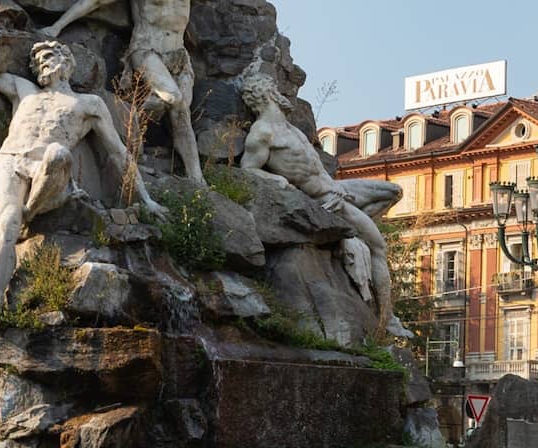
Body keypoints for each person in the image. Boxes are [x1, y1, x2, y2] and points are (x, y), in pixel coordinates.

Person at [0, 41, 164, 324]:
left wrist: (146, 198)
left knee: (57, 153)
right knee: (6, 227)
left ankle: (29, 210)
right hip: (10, 160)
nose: (42, 62)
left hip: (49, 172)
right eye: (38, 60)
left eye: (49, 56)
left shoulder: (87, 104)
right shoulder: (23, 89)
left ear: (67, 63)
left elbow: (118, 152)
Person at [238, 72, 401, 330]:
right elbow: (246, 168)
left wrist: (338, 191)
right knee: (379, 247)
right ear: (268, 93)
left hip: (336, 188)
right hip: (323, 198)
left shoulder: (290, 128)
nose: (282, 93)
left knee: (393, 191)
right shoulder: (263, 132)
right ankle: (387, 320)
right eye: (276, 89)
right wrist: (278, 181)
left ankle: (349, 233)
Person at [41, 0, 205, 185]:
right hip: (147, 49)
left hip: (179, 55)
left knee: (182, 113)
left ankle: (197, 179)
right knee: (174, 99)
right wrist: (57, 27)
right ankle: (139, 129)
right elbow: (95, 2)